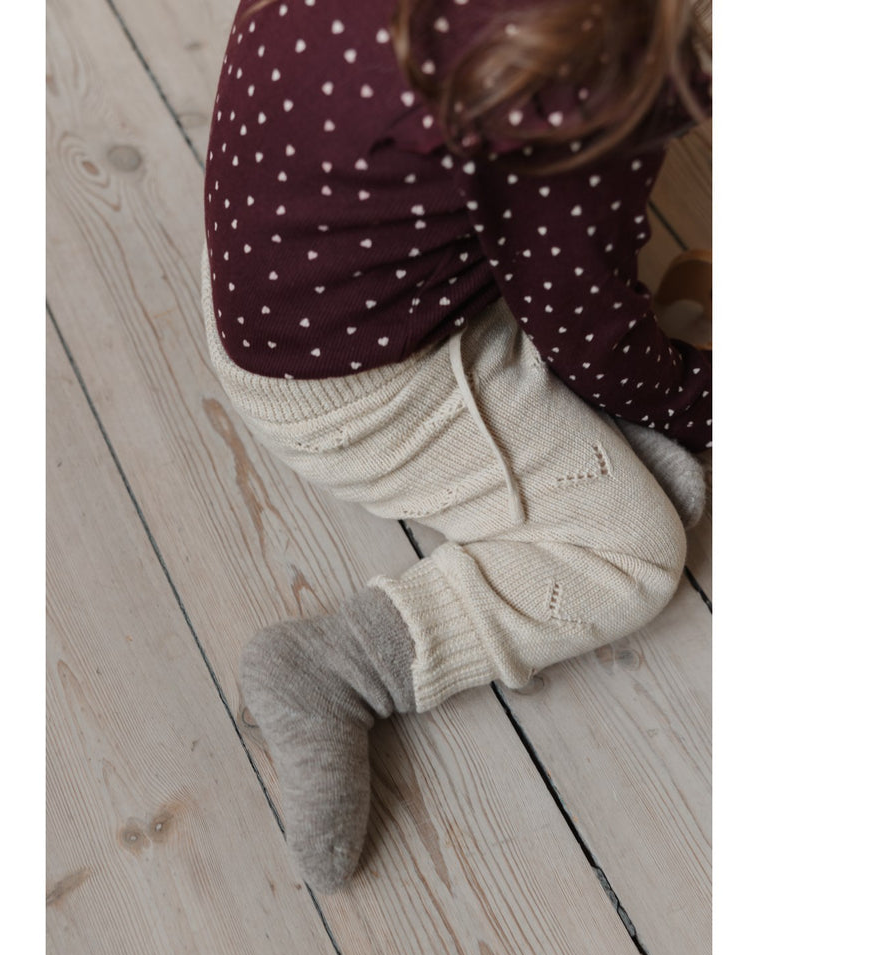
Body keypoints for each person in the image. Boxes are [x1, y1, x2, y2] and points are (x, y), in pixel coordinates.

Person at [201, 0, 712, 892]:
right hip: (357, 387)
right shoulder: (585, 63)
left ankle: (590, 435)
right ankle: (341, 666)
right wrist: (695, 402)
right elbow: (584, 324)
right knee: (632, 550)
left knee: (556, 238)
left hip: (290, 272)